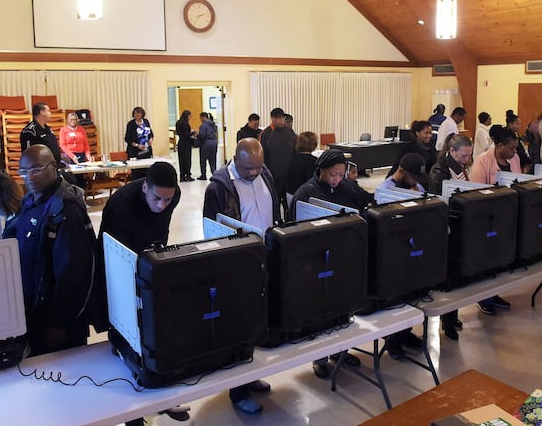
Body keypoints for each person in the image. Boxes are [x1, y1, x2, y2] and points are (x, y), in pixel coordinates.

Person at [98, 162, 187, 425]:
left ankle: (161, 395)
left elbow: (161, 228)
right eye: (157, 198)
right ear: (145, 187)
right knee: (128, 340)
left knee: (157, 333)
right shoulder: (121, 205)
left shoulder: (173, 196)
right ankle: (133, 415)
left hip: (151, 262)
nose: (162, 205)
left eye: (167, 200)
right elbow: (114, 254)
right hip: (119, 266)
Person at [203, 138, 278, 415]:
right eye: (248, 168)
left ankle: (250, 375)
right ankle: (238, 391)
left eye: (259, 167)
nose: (254, 172)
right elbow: (211, 230)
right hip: (236, 263)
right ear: (235, 159)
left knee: (257, 321)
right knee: (238, 326)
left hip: (266, 257)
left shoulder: (264, 174)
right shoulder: (218, 187)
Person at [4, 145, 94, 357]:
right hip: (34, 309)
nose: (29, 177)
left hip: (57, 322)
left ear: (54, 166)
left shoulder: (66, 209)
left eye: (36, 169)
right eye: (24, 172)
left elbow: (73, 273)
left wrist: (58, 323)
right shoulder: (29, 200)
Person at [289, 149, 365, 377]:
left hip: (342, 257)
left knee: (341, 308)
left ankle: (341, 351)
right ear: (321, 170)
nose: (337, 179)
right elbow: (293, 229)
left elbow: (363, 210)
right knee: (320, 310)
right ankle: (320, 357)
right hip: (316, 261)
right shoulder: (306, 192)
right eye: (333, 174)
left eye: (341, 174)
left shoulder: (348, 188)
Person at [427, 133, 473, 340]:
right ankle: (447, 320)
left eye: (468, 156)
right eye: (463, 155)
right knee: (448, 278)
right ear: (452, 151)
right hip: (445, 227)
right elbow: (438, 199)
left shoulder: (461, 167)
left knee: (457, 273)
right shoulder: (440, 171)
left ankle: (452, 316)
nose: (466, 159)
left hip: (459, 224)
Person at [468, 125, 517, 316]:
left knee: (499, 258)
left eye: (515, 148)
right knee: (486, 258)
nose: (514, 152)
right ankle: (484, 297)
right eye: (510, 148)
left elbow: (518, 181)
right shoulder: (483, 161)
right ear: (499, 145)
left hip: (506, 212)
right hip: (487, 215)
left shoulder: (514, 159)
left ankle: (494, 293)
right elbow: (477, 191)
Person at [260, 107, 297, 214]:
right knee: (274, 203)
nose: (281, 121)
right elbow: (262, 156)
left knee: (288, 204)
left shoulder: (290, 132)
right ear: (272, 119)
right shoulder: (266, 133)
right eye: (278, 118)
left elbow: (295, 151)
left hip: (289, 176)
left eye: (282, 118)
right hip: (273, 176)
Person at [285, 131, 318, 206]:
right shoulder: (314, 161)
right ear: (314, 145)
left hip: (290, 193)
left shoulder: (291, 158)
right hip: (304, 195)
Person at [125, 106, 154, 180]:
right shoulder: (131, 124)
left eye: (138, 113)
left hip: (146, 151)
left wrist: (151, 139)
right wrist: (137, 145)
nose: (136, 115)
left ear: (142, 114)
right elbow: (127, 139)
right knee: (136, 173)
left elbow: (150, 133)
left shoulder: (146, 122)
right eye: (135, 113)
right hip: (135, 152)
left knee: (147, 172)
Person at [195, 111, 218, 180]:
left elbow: (202, 136)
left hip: (206, 144)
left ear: (204, 117)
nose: (200, 119)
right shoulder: (213, 124)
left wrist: (197, 135)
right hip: (214, 142)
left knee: (203, 160)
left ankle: (203, 175)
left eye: (200, 118)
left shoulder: (203, 125)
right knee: (213, 160)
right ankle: (214, 174)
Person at [175, 110, 195, 182]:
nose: (190, 117)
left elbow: (178, 133)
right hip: (186, 143)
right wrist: (193, 132)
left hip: (180, 143)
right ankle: (188, 175)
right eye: (190, 116)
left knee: (181, 160)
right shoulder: (185, 123)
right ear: (187, 116)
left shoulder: (178, 122)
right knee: (187, 160)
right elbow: (186, 135)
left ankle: (182, 176)